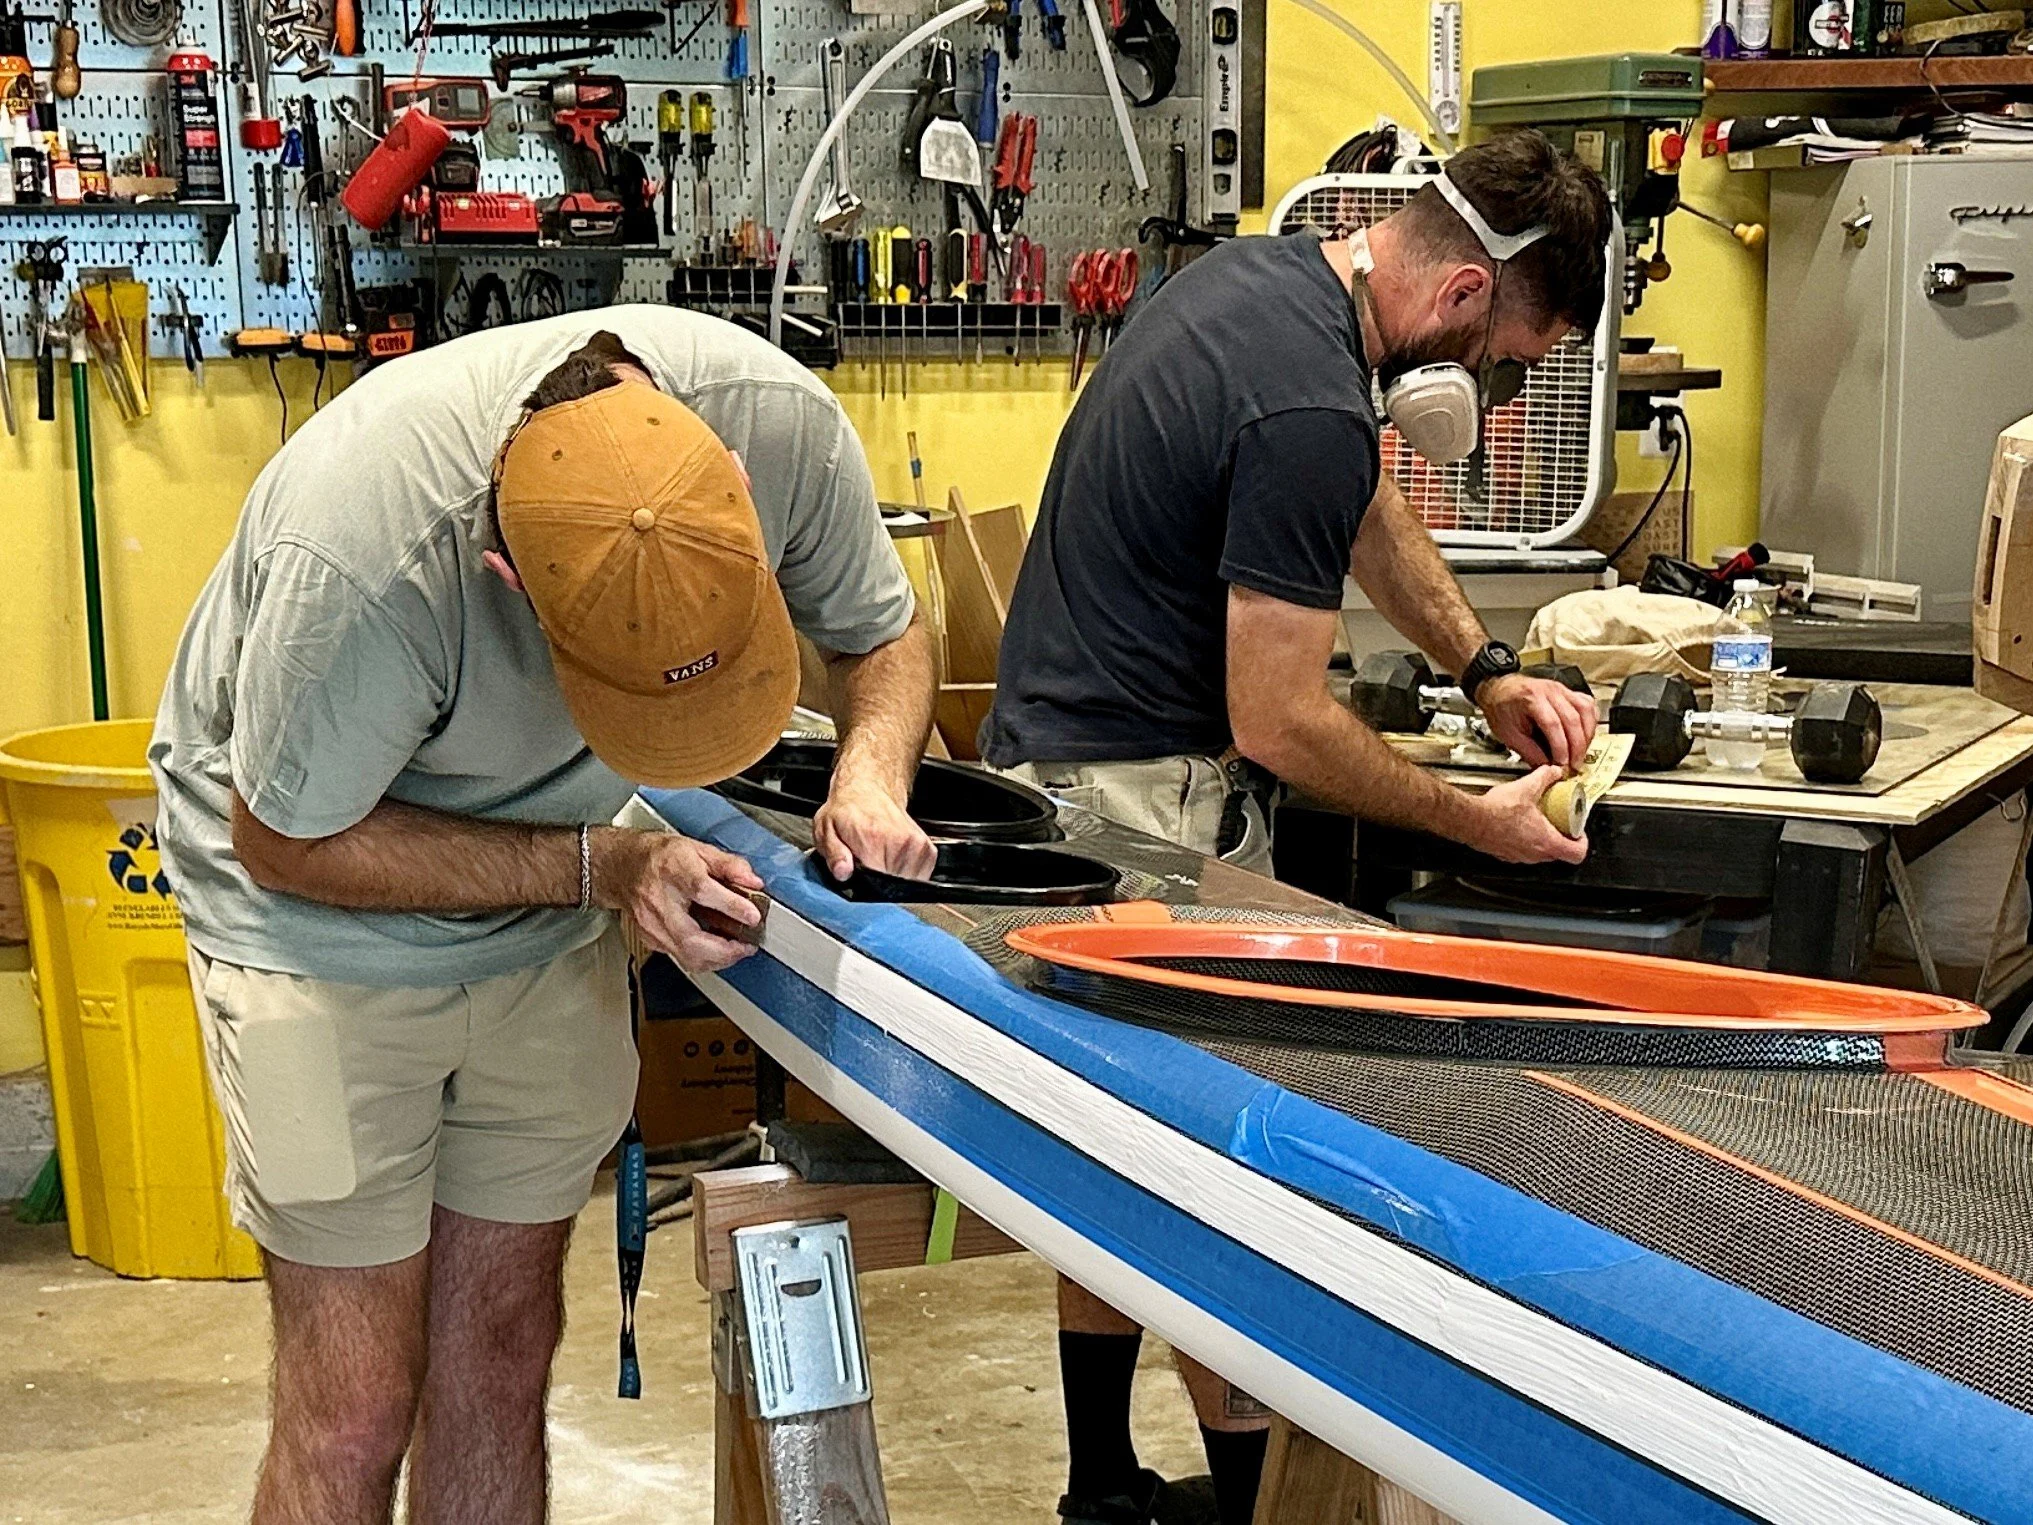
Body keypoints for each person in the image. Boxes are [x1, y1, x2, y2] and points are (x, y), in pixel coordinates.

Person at [149, 306, 936, 1525]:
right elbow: (285, 839)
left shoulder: (781, 424)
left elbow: (881, 630)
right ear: (507, 572)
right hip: (309, 929)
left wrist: (871, 775)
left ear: (737, 484)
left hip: (551, 910)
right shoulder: (364, 553)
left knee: (503, 1350)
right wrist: (598, 868)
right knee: (352, 1405)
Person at [981, 130, 1616, 1525]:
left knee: (1114, 1152)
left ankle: (1100, 1486)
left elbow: (1364, 504)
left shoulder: (1265, 285)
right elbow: (1276, 720)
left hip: (1071, 778)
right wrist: (1470, 824)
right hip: (1143, 810)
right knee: (1215, 1179)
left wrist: (1483, 668)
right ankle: (1246, 1504)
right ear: (1462, 295)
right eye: (1506, 363)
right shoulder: (1308, 403)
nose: (1495, 396)